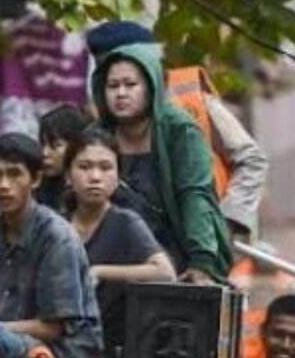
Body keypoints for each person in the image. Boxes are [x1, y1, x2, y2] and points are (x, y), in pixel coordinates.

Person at [86, 20, 269, 240]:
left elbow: (251, 160)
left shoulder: (190, 97)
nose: (120, 91)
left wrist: (227, 222)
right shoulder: (102, 118)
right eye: (111, 80)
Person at [0, 133, 104, 358]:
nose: (3, 185)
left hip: (65, 355)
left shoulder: (56, 236)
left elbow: (53, 327)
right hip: (6, 341)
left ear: (36, 179)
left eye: (14, 174)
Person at [92, 43, 233, 282]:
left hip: (176, 252)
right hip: (112, 256)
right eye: (113, 86)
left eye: (130, 84)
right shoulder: (96, 135)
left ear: (151, 87)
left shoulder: (179, 129)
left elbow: (194, 196)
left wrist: (202, 263)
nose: (121, 93)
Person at [64, 127, 176, 358]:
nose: (95, 177)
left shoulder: (126, 223)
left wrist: (101, 272)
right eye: (84, 167)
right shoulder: (55, 226)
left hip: (110, 351)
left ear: (117, 177)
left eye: (105, 167)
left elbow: (165, 272)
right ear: (68, 175)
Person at [37, 103, 91, 212]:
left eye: (55, 146)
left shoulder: (94, 186)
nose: (45, 153)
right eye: (43, 144)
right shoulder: (35, 188)